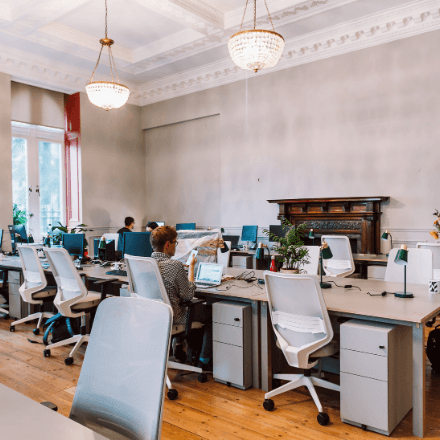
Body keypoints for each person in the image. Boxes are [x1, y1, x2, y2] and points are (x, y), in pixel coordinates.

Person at [151, 226, 212, 370]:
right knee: (210, 313)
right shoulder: (175, 265)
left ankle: (178, 348)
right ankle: (204, 359)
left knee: (175, 301)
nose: (175, 246)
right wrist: (191, 268)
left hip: (152, 316)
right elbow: (188, 295)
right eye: (175, 243)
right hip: (174, 317)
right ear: (167, 245)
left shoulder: (145, 264)